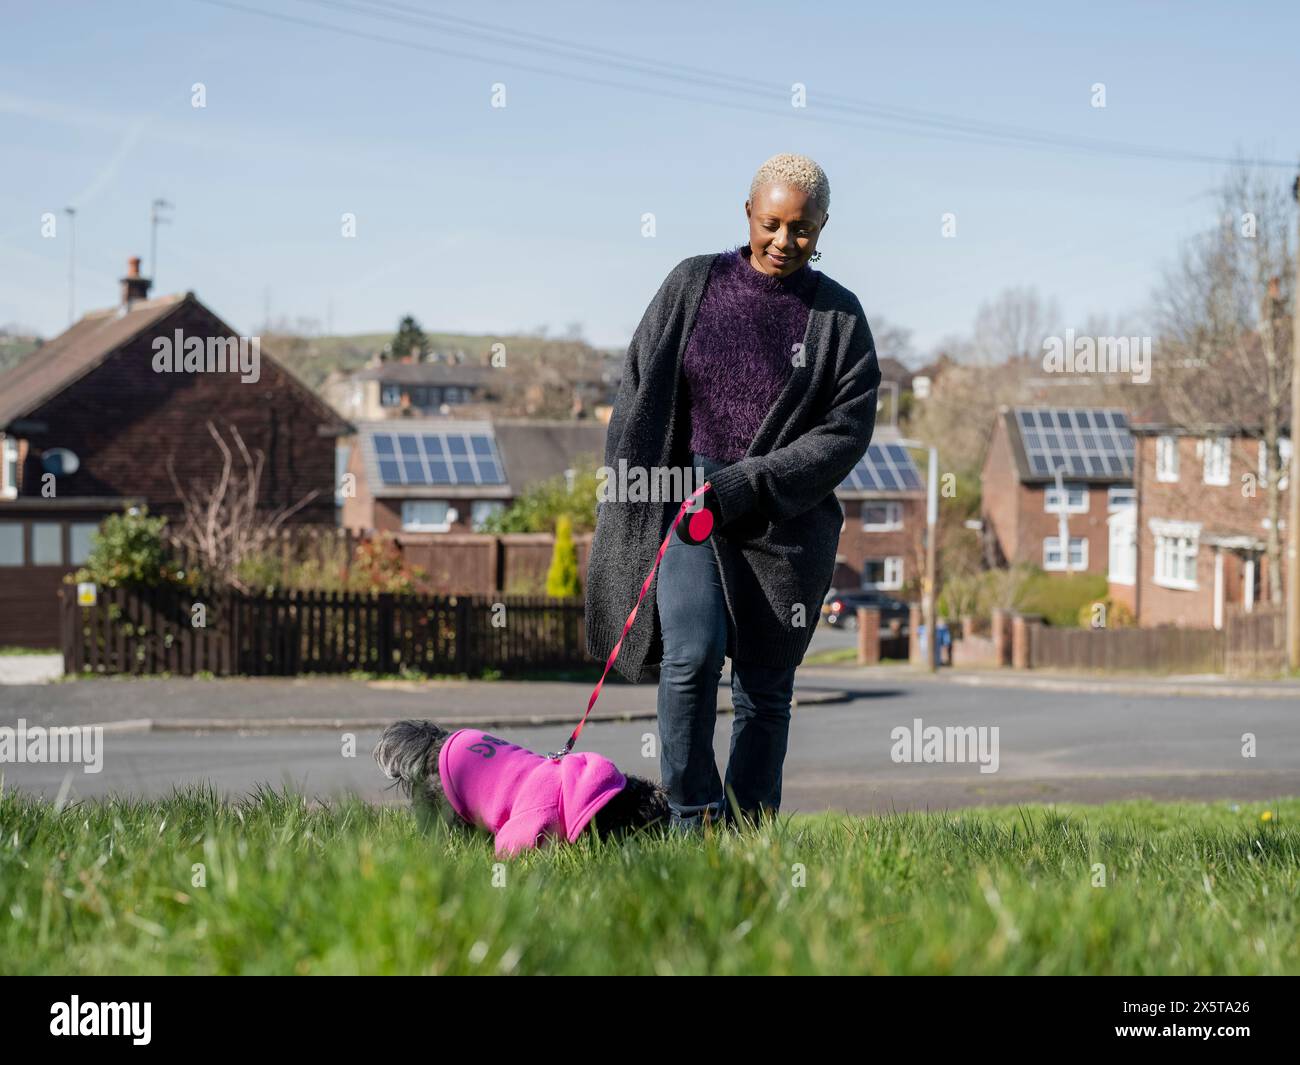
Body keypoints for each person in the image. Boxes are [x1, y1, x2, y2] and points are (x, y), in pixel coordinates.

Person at [585, 152, 881, 835]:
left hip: (785, 526)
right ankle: (692, 817)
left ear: (823, 227)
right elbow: (638, 388)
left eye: (801, 228)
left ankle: (749, 833)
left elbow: (844, 434)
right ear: (748, 213)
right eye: (771, 222)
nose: (784, 239)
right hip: (691, 508)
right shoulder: (692, 284)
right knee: (688, 659)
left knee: (764, 691)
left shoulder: (839, 317)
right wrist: (639, 490)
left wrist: (748, 484)